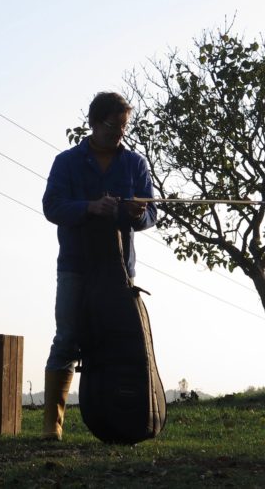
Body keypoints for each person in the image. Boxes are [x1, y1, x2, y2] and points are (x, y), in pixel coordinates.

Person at [40, 92, 157, 440]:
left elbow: (151, 213)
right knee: (67, 339)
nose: (119, 133)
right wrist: (90, 208)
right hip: (75, 266)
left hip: (122, 271)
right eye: (112, 126)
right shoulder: (66, 162)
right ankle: (52, 427)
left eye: (123, 127)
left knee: (119, 341)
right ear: (93, 122)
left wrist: (137, 214)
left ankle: (122, 417)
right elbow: (52, 207)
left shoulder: (135, 163)